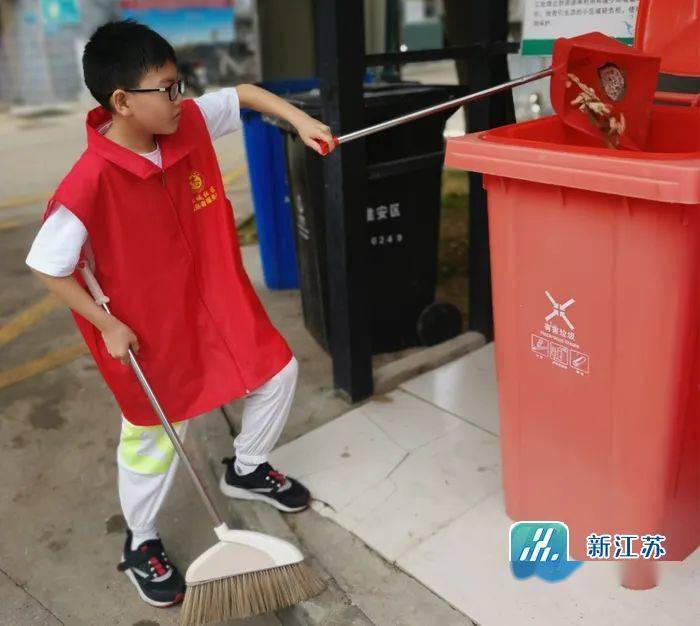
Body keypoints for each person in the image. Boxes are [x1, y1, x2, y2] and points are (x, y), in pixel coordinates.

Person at [25, 19, 336, 608]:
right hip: (149, 334)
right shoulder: (88, 181)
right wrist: (108, 324)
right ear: (122, 101)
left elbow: (243, 95)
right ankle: (140, 543)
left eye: (179, 84)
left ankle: (246, 467)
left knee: (278, 373)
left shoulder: (185, 122)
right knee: (155, 442)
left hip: (218, 303)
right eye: (165, 88)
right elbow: (47, 266)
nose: (179, 97)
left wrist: (298, 120)